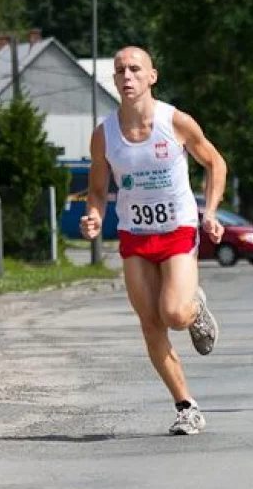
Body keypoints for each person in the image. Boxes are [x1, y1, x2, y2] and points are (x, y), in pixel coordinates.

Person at [81, 46, 225, 435]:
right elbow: (98, 190)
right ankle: (186, 407)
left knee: (174, 314)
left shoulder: (174, 121)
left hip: (177, 229)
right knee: (150, 323)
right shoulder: (104, 135)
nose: (127, 76)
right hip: (135, 234)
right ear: (114, 80)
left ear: (152, 76)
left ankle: (194, 307)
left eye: (134, 69)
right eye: (120, 71)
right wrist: (94, 216)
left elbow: (215, 162)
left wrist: (210, 212)